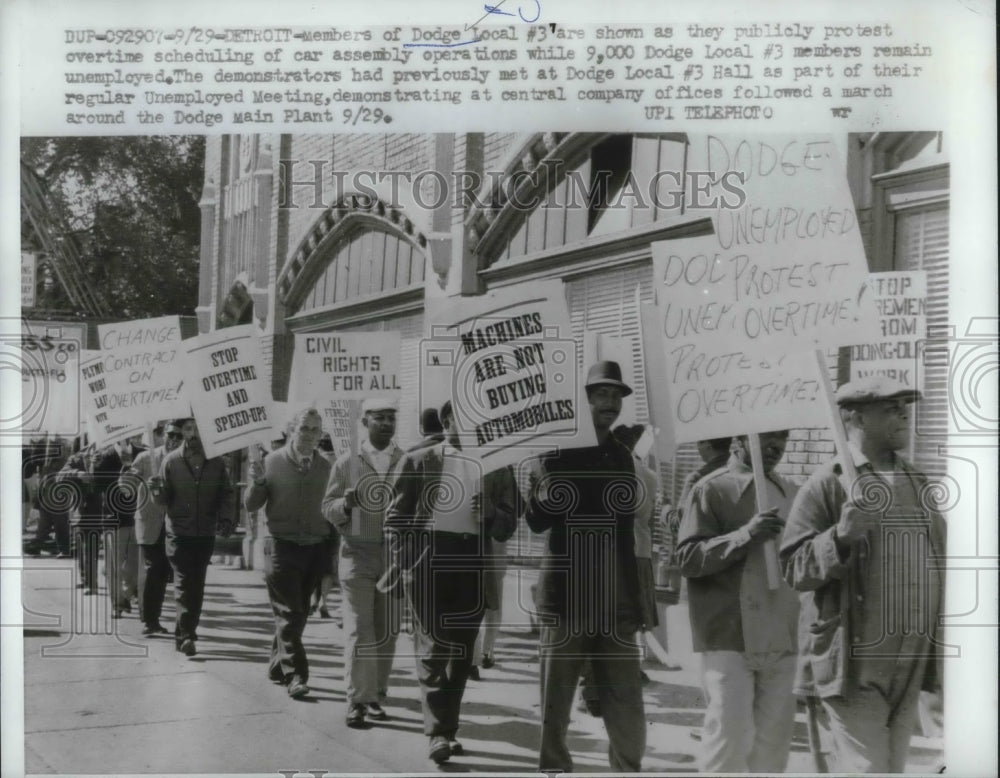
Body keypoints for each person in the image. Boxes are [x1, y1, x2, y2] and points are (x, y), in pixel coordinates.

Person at [781, 377, 946, 773]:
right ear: (855, 417)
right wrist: (839, 536)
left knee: (890, 768)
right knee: (867, 769)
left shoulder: (916, 482)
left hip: (910, 658)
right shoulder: (828, 484)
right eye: (891, 408)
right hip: (854, 664)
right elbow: (793, 569)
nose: (905, 414)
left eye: (906, 406)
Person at [526, 360, 645, 773]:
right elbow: (537, 520)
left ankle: (627, 770)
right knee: (555, 704)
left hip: (613, 600)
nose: (611, 402)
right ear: (585, 399)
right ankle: (554, 769)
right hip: (566, 597)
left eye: (616, 395)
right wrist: (544, 485)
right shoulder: (557, 452)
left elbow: (625, 533)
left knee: (626, 700)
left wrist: (634, 601)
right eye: (602, 394)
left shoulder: (621, 457)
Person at [384, 400, 517, 764]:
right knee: (431, 646)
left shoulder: (497, 465)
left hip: (472, 558)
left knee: (461, 650)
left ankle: (447, 728)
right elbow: (394, 518)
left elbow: (510, 523)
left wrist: (491, 513)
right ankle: (438, 733)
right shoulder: (418, 461)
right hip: (427, 557)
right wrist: (405, 562)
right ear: (447, 421)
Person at [677, 430, 800, 773]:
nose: (776, 445)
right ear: (739, 439)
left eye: (783, 437)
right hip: (729, 636)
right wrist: (745, 535)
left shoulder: (792, 492)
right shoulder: (711, 489)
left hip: (781, 633)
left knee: (772, 749)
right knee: (728, 743)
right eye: (766, 436)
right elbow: (687, 558)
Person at [322, 398, 404, 727]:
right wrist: (345, 504)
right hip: (357, 554)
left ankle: (377, 695)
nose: (386, 423)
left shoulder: (406, 460)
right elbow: (327, 507)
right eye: (379, 418)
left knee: (387, 631)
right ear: (365, 422)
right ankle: (357, 699)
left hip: (396, 556)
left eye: (391, 418)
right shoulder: (347, 463)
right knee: (359, 630)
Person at [245, 406, 332, 699]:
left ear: (322, 435)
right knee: (289, 612)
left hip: (314, 548)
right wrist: (256, 483)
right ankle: (296, 675)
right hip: (280, 546)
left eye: (315, 430)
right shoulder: (271, 463)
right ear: (291, 431)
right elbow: (250, 505)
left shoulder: (327, 467)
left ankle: (276, 664)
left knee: (299, 612)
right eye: (304, 429)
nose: (309, 435)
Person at [151, 417, 236, 657]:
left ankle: (184, 633)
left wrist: (227, 519)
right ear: (182, 432)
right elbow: (162, 500)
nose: (194, 433)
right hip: (179, 532)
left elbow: (227, 494)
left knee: (196, 585)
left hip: (205, 532)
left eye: (199, 428)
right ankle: (187, 634)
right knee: (184, 583)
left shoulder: (217, 463)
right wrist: (156, 491)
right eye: (189, 429)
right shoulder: (171, 461)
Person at [58, 440, 139, 613]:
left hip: (112, 510)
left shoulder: (114, 454)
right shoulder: (78, 458)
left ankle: (121, 585)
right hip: (87, 509)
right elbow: (60, 476)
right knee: (89, 548)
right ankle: (91, 583)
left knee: (123, 557)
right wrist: (78, 473)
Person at [119, 420, 182, 635]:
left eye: (179, 436)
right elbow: (126, 484)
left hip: (174, 524)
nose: (174, 440)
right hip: (150, 523)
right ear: (164, 435)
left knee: (163, 572)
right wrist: (130, 475)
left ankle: (154, 618)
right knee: (152, 569)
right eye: (171, 435)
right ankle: (148, 621)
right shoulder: (147, 458)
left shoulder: (183, 461)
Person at [24, 436, 71, 558]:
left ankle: (64, 549)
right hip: (46, 498)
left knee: (60, 525)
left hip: (57, 498)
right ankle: (38, 545)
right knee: (43, 525)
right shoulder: (48, 462)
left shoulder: (63, 462)